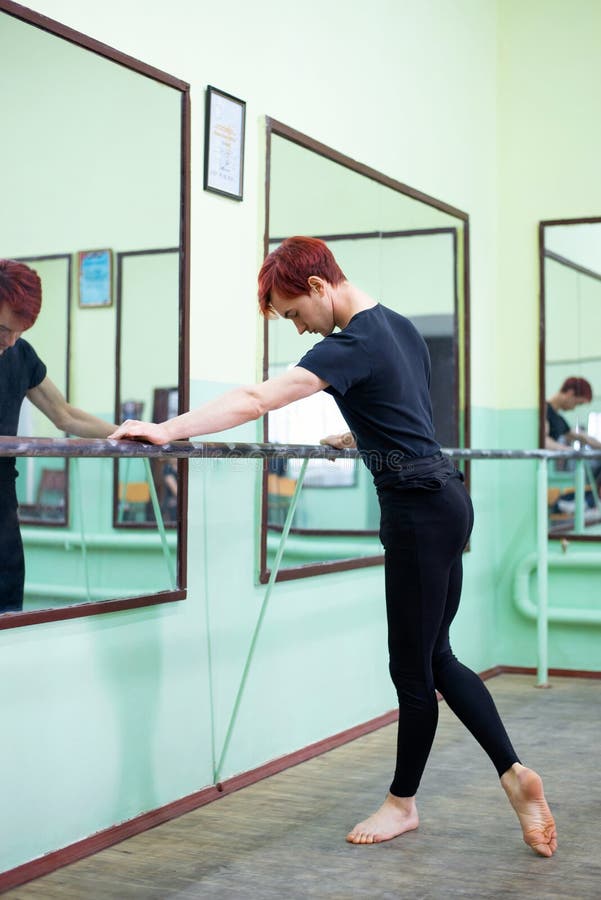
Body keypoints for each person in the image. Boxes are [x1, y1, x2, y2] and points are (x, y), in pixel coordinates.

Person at [109, 236, 557, 857]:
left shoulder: (349, 344)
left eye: (295, 313)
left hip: (416, 512)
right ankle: (513, 773)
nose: (299, 329)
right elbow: (408, 413)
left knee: (411, 671)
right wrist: (360, 434)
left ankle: (403, 803)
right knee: (437, 657)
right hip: (449, 498)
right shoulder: (400, 327)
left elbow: (256, 399)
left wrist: (167, 429)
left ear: (319, 287)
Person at [0, 259, 115, 613]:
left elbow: (65, 415)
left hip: (2, 516)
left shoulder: (20, 355)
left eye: (19, 332)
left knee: (9, 616)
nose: (10, 341)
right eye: (3, 329)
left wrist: (132, 433)